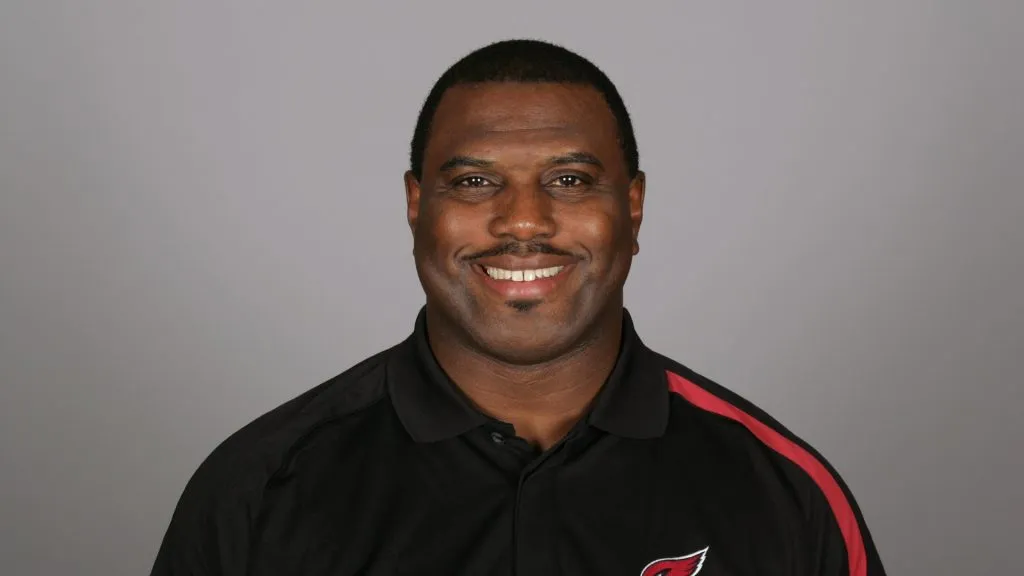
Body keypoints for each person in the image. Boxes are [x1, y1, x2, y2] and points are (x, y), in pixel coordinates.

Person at [150, 39, 886, 576]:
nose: (524, 221)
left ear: (632, 206)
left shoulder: (783, 493)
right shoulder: (259, 491)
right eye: (474, 183)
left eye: (569, 180)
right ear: (416, 206)